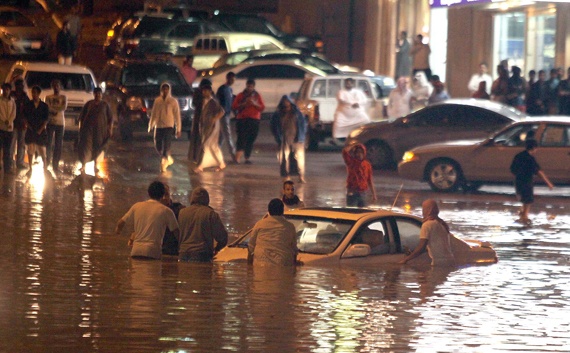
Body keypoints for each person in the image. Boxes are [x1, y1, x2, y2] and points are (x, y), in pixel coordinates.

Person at [115, 181, 179, 260]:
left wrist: (117, 232)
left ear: (149, 193)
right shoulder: (166, 211)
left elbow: (120, 223)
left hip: (135, 251)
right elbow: (177, 233)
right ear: (162, 195)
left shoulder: (137, 206)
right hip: (152, 252)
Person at [177, 187, 228, 262]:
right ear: (207, 199)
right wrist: (216, 249)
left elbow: (178, 234)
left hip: (183, 254)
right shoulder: (210, 214)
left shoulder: (182, 213)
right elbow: (222, 237)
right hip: (202, 255)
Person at [399, 199, 455, 267]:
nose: (423, 212)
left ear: (428, 210)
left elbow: (421, 247)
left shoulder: (427, 225)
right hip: (450, 260)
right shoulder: (441, 223)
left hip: (438, 263)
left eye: (423, 209)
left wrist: (406, 259)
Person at [510, 139, 554, 225]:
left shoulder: (518, 156)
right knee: (528, 201)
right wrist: (548, 183)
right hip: (527, 182)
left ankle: (522, 217)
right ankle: (524, 219)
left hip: (518, 181)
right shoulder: (530, 159)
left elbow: (512, 169)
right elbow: (538, 172)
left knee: (523, 200)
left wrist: (518, 175)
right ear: (534, 148)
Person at [247, 198, 298, 267]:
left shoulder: (260, 224)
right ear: (282, 211)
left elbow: (251, 247)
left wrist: (249, 268)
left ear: (269, 210)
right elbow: (294, 249)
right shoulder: (289, 227)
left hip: (261, 266)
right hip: (283, 265)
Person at [270, 95, 308, 183]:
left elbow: (303, 125)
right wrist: (277, 136)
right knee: (283, 158)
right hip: (284, 138)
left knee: (300, 158)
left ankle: (301, 176)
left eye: (288, 104)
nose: (286, 107)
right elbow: (273, 126)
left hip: (297, 138)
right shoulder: (278, 114)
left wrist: (302, 137)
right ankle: (285, 176)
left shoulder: (297, 113)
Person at [77, 87, 113, 174]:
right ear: (94, 94)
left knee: (98, 147)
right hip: (88, 130)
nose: (98, 95)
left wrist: (110, 129)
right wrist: (80, 129)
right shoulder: (89, 104)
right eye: (96, 93)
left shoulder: (105, 105)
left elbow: (110, 119)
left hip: (100, 131)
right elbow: (81, 118)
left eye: (99, 94)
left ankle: (95, 165)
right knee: (86, 147)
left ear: (101, 95)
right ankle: (83, 165)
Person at [192, 81, 226, 173]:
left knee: (206, 144)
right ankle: (221, 163)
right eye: (203, 91)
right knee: (213, 146)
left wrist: (214, 119)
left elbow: (222, 112)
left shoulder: (213, 102)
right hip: (204, 126)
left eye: (207, 91)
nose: (205, 92)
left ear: (210, 91)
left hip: (213, 127)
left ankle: (201, 166)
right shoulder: (203, 101)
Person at [149, 82, 181, 173]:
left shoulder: (173, 101)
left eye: (167, 89)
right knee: (158, 144)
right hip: (158, 126)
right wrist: (150, 125)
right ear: (161, 90)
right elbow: (153, 113)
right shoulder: (157, 101)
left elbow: (177, 116)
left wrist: (178, 129)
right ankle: (168, 157)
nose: (165, 91)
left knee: (166, 144)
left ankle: (163, 164)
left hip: (168, 126)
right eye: (163, 89)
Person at [232, 78, 265, 164]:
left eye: (251, 86)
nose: (249, 88)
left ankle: (247, 157)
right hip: (242, 119)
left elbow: (262, 108)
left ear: (254, 87)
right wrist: (244, 104)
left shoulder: (257, 96)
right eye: (248, 86)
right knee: (241, 138)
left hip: (254, 119)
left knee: (251, 138)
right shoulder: (240, 95)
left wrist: (254, 103)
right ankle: (237, 158)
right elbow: (235, 106)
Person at [332, 78, 370, 143]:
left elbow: (364, 100)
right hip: (343, 114)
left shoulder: (358, 92)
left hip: (357, 113)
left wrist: (357, 103)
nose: (348, 85)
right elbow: (341, 99)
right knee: (338, 124)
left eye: (350, 83)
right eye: (347, 83)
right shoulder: (341, 92)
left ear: (353, 84)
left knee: (366, 120)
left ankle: (365, 136)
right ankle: (337, 139)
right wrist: (352, 103)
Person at [23, 86, 49, 175]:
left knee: (42, 150)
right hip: (31, 130)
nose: (33, 94)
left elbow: (46, 119)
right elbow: (25, 117)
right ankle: (30, 168)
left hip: (40, 131)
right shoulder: (28, 105)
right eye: (32, 93)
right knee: (30, 150)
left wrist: (41, 129)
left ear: (38, 94)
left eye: (35, 93)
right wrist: (28, 126)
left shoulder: (44, 106)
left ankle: (45, 167)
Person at [45, 80, 67, 173]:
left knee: (58, 144)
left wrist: (53, 109)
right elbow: (47, 107)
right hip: (50, 122)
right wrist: (54, 109)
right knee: (48, 143)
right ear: (52, 87)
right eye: (54, 86)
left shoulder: (63, 97)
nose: (56, 87)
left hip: (60, 123)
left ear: (60, 86)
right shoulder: (48, 97)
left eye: (57, 85)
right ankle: (47, 163)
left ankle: (55, 165)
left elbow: (63, 107)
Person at [216, 71, 237, 162]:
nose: (233, 81)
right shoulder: (222, 89)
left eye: (234, 79)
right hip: (223, 115)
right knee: (227, 135)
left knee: (222, 137)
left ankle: (215, 153)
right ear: (228, 78)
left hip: (227, 115)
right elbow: (218, 102)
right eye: (231, 79)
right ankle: (234, 156)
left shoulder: (229, 89)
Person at [160, 184, 185, 256]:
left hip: (173, 249)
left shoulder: (179, 209)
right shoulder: (153, 210)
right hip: (159, 249)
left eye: (166, 194)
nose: (164, 198)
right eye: (162, 195)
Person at [10, 79, 29, 170]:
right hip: (12, 123)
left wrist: (26, 121)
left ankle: (20, 162)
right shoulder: (11, 95)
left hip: (22, 123)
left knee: (21, 144)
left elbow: (28, 110)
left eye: (21, 85)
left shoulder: (25, 97)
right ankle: (10, 161)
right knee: (12, 144)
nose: (20, 87)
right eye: (18, 85)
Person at [0, 83, 16, 174]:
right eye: (4, 89)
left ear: (10, 91)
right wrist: (3, 120)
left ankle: (7, 168)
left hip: (9, 128)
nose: (6, 91)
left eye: (7, 90)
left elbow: (14, 113)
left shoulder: (12, 101)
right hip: (1, 127)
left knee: (7, 149)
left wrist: (9, 121)